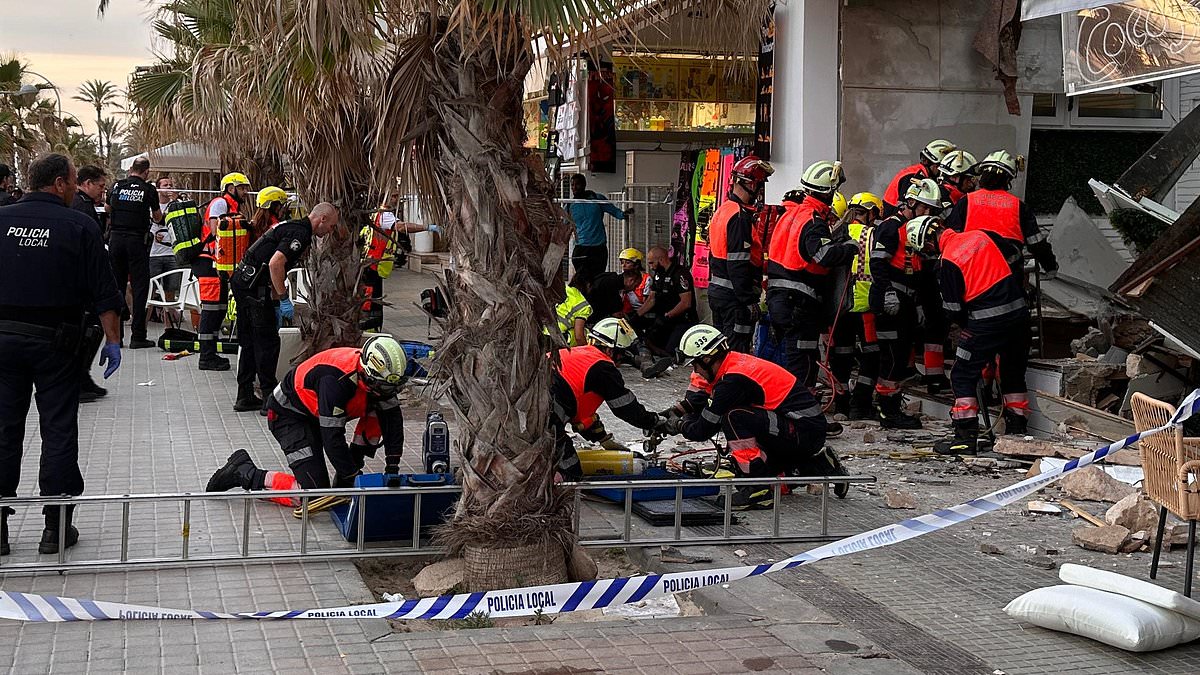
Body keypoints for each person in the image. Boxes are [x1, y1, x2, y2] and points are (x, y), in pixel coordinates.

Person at [0, 153, 124, 556]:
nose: (75, 188)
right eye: (72, 181)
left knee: (3, 430)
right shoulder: (79, 225)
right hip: (57, 343)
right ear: (58, 183)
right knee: (58, 429)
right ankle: (56, 526)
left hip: (3, 342)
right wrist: (113, 340)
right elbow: (105, 292)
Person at [206, 335, 410, 513]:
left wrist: (392, 469)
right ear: (367, 372)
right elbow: (332, 439)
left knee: (378, 412)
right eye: (384, 386)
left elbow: (392, 422)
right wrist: (354, 477)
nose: (388, 391)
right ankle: (245, 472)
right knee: (314, 495)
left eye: (394, 386)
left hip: (315, 412)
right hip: (288, 416)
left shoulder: (379, 380)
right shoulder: (336, 381)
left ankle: (347, 476)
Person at [655, 324, 847, 510]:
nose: (696, 371)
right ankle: (819, 465)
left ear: (706, 358)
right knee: (749, 470)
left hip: (803, 431)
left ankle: (757, 490)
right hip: (800, 427)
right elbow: (706, 398)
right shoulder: (733, 364)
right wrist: (677, 410)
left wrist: (678, 425)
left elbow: (702, 430)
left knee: (734, 417)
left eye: (695, 364)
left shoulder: (732, 380)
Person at [905, 216, 1031, 455]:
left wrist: (969, 329)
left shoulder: (947, 262)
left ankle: (964, 436)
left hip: (984, 322)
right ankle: (1018, 434)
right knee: (1013, 373)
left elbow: (953, 309)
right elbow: (1014, 255)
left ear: (928, 244)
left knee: (962, 375)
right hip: (1018, 315)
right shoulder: (981, 235)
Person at [230, 202, 340, 414]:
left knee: (250, 341)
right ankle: (269, 399)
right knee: (267, 342)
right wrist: (282, 298)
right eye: (332, 226)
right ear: (322, 219)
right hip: (254, 289)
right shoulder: (300, 233)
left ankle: (244, 395)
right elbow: (275, 264)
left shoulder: (291, 225)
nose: (330, 231)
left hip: (244, 282)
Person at [766, 160, 858, 387]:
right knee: (802, 361)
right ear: (828, 192)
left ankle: (800, 410)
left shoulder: (790, 214)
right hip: (799, 304)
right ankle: (799, 414)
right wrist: (849, 248)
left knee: (797, 357)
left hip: (779, 300)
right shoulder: (814, 222)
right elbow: (823, 255)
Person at [868, 179, 944, 429]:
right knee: (891, 357)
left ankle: (890, 408)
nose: (928, 214)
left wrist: (918, 304)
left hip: (906, 301)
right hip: (890, 301)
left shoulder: (914, 231)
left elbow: (918, 270)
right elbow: (878, 264)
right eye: (925, 208)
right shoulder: (892, 228)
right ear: (911, 203)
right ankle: (888, 412)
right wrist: (887, 293)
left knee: (900, 356)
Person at [550, 318, 663, 480]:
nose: (619, 362)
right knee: (570, 471)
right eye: (621, 355)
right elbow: (627, 409)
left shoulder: (574, 355)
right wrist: (654, 421)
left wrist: (604, 439)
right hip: (545, 420)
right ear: (610, 350)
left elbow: (582, 416)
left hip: (520, 412)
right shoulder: (603, 367)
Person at [943, 150, 1058, 278]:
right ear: (1008, 179)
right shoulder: (1019, 207)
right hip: (1008, 274)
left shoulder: (966, 201)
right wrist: (1050, 267)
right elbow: (1036, 243)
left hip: (972, 273)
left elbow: (951, 237)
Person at [707, 156, 773, 352]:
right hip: (734, 297)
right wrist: (749, 301)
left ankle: (722, 382)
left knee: (722, 349)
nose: (760, 191)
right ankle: (733, 382)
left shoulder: (723, 210)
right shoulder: (739, 217)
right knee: (736, 350)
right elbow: (737, 264)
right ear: (750, 184)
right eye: (759, 185)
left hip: (719, 292)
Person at [829, 192, 883, 421]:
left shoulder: (837, 233)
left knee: (840, 356)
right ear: (872, 213)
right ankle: (861, 403)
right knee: (871, 357)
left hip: (840, 307)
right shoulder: (873, 235)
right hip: (865, 307)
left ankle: (841, 404)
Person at [194, 172, 251, 371]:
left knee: (219, 310)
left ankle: (211, 353)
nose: (245, 192)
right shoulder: (220, 203)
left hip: (218, 265)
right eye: (242, 188)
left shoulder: (232, 206)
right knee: (211, 310)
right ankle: (206, 357)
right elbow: (216, 231)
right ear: (230, 188)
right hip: (208, 262)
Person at [107, 157, 161, 349]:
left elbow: (107, 208)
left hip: (115, 240)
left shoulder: (117, 186)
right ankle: (138, 336)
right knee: (139, 287)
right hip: (136, 241)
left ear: (130, 169)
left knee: (117, 286)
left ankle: (117, 336)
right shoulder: (148, 190)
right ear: (146, 172)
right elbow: (157, 216)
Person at [70, 164, 112, 403]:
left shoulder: (84, 205)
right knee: (88, 331)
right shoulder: (81, 207)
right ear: (86, 183)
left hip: (84, 279)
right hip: (82, 281)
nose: (102, 191)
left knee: (91, 331)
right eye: (100, 186)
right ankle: (78, 379)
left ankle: (83, 376)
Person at [636, 246, 697, 376]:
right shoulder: (658, 274)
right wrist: (636, 315)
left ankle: (675, 356)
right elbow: (651, 299)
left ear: (661, 259)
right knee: (646, 340)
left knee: (669, 349)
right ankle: (654, 361)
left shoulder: (680, 273)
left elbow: (686, 303)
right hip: (665, 321)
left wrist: (667, 316)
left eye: (652, 263)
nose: (650, 267)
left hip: (682, 320)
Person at [567, 174, 629, 279]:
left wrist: (624, 215)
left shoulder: (597, 199)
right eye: (572, 185)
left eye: (577, 184)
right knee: (582, 280)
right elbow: (563, 225)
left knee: (598, 279)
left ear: (584, 184)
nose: (574, 187)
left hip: (598, 248)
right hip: (581, 248)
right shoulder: (569, 205)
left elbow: (614, 211)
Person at [882, 139, 956, 216]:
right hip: (894, 218)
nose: (943, 172)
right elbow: (907, 208)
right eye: (939, 167)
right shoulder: (914, 177)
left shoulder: (920, 173)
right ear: (929, 162)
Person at [148, 177, 182, 313]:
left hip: (171, 254)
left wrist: (175, 201)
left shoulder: (177, 204)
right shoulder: (151, 206)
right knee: (150, 292)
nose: (168, 187)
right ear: (158, 188)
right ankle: (142, 328)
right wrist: (153, 235)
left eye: (170, 185)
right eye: (165, 185)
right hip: (154, 254)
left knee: (170, 294)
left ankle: (169, 327)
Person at [554, 271, 595, 347]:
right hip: (558, 341)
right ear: (588, 285)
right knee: (585, 332)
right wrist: (586, 352)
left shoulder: (565, 289)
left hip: (542, 334)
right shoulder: (582, 303)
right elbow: (579, 337)